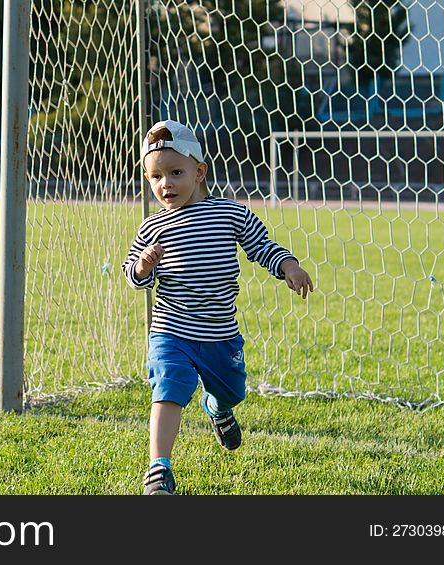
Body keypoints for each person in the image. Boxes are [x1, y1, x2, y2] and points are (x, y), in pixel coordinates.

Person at [122, 120, 314, 495]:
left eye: (176, 173)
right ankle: (158, 469)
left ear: (199, 172)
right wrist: (144, 265)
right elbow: (133, 276)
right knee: (169, 387)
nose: (166, 185)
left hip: (218, 334)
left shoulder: (231, 214)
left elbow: (262, 246)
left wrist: (288, 265)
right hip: (171, 331)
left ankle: (217, 407)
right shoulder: (151, 228)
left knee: (232, 392)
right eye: (156, 176)